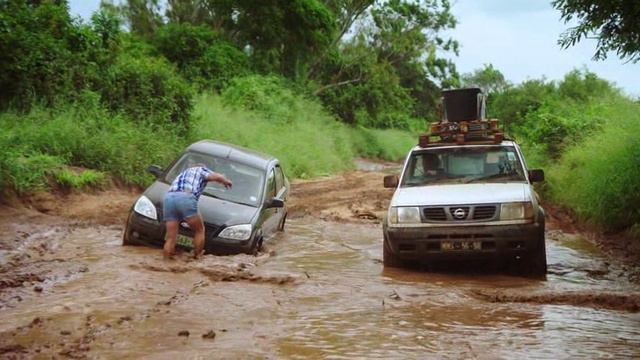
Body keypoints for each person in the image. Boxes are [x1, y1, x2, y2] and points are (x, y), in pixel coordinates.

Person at [163, 164, 232, 259]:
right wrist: (225, 181)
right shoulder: (201, 169)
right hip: (185, 196)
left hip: (169, 198)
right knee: (200, 230)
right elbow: (216, 176)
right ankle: (197, 256)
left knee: (170, 238)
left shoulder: (183, 173)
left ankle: (166, 261)